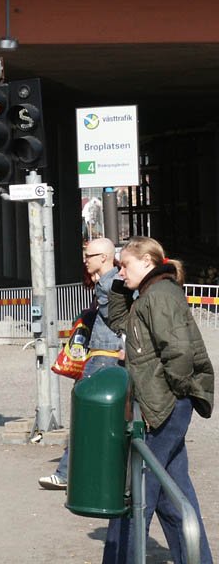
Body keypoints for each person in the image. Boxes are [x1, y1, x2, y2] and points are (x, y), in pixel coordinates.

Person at [102, 236, 214, 564]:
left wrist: (169, 397)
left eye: (126, 264)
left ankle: (120, 558)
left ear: (148, 262)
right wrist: (120, 289)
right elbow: (121, 323)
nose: (120, 271)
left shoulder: (161, 295)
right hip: (166, 405)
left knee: (134, 491)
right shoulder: (149, 295)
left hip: (164, 407)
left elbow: (178, 352)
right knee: (172, 496)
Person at [38, 237, 124, 490]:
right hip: (109, 357)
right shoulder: (113, 282)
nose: (85, 260)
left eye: (90, 256)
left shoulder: (109, 284)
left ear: (104, 258)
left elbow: (116, 319)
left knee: (84, 415)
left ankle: (67, 474)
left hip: (102, 358)